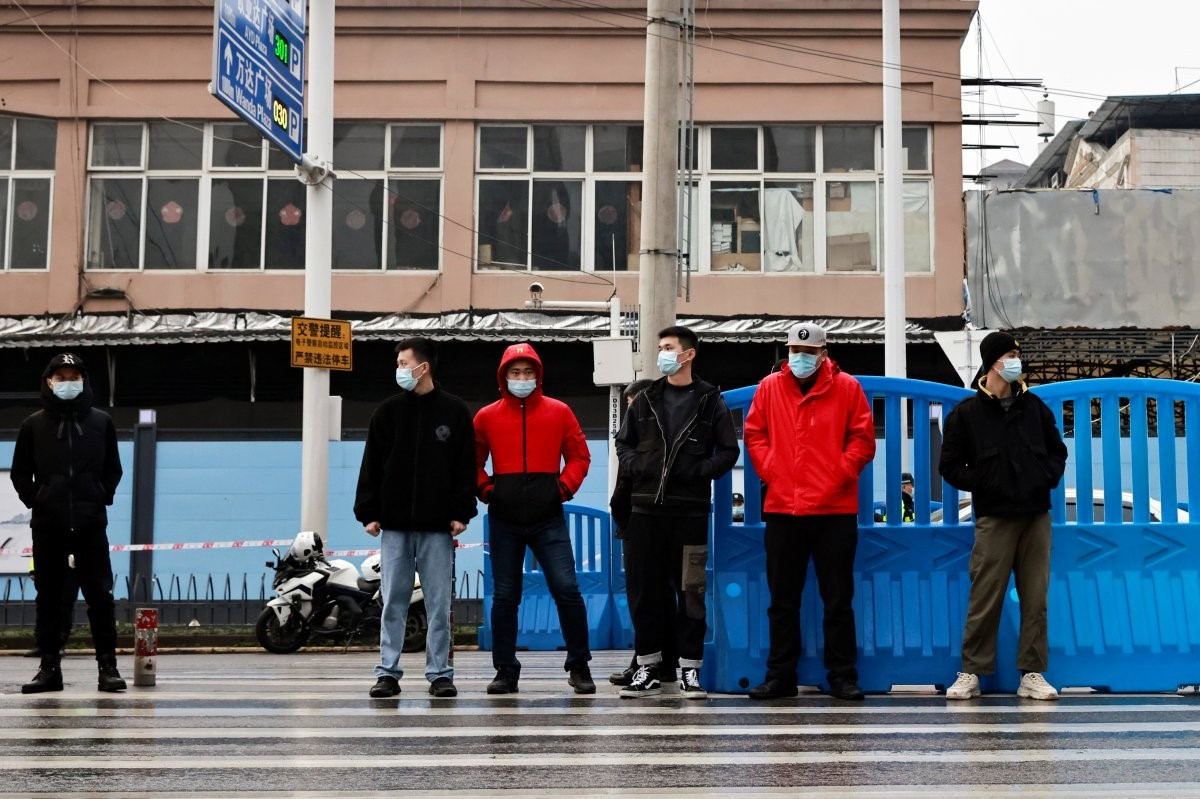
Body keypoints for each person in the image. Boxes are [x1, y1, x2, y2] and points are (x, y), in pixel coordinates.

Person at [744, 322, 876, 701]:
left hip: (834, 509)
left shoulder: (847, 387)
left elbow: (862, 440)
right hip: (784, 507)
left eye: (806, 352)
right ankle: (780, 677)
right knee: (782, 600)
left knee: (838, 599)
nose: (799, 358)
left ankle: (842, 675)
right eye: (793, 351)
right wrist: (772, 470)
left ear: (823, 354)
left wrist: (839, 472)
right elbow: (755, 433)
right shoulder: (770, 387)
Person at [939, 331, 1067, 701]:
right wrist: (984, 482)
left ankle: (1032, 673)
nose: (1016, 361)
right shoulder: (967, 414)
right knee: (985, 596)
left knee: (1035, 598)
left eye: (1017, 354)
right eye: (1010, 354)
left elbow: (1058, 452)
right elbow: (949, 466)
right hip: (994, 517)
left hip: (1035, 516)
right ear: (992, 361)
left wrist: (1046, 476)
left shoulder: (1035, 408)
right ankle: (971, 672)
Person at [614, 326, 739, 699]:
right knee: (645, 593)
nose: (662, 354)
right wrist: (639, 467)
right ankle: (648, 667)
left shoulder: (709, 400)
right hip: (645, 512)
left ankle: (690, 670)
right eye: (660, 348)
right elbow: (624, 445)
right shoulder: (647, 398)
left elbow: (728, 451)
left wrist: (697, 472)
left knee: (690, 592)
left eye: (668, 348)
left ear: (689, 354)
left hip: (690, 514)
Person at [354, 337, 477, 699]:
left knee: (439, 602)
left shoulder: (454, 411)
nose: (400, 371)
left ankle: (440, 673)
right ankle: (387, 673)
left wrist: (461, 512)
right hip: (393, 526)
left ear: (424, 367)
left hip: (438, 526)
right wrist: (369, 511)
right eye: (398, 364)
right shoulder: (387, 412)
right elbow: (371, 465)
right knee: (393, 600)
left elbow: (463, 467)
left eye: (404, 364)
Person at [474, 343, 595, 695]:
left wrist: (562, 489)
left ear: (538, 376)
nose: (522, 379)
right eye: (515, 373)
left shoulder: (559, 412)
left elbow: (579, 456)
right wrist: (486, 490)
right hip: (504, 519)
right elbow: (472, 461)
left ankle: (579, 665)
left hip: (548, 517)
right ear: (504, 377)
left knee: (567, 589)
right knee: (505, 596)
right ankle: (505, 671)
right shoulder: (486, 417)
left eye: (528, 373)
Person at [10, 353, 126, 694]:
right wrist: (38, 499)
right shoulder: (33, 425)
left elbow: (113, 470)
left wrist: (99, 496)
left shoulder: (101, 422)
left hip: (91, 524)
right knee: (48, 597)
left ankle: (108, 667)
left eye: (73, 376)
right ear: (49, 381)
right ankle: (49, 668)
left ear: (84, 380)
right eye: (60, 377)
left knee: (100, 596)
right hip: (48, 524)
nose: (67, 382)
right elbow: (19, 474)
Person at [608, 378, 679, 688]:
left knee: (643, 597)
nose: (629, 411)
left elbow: (625, 485)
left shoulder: (639, 441)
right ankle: (666, 663)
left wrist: (619, 515)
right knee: (665, 596)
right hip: (664, 522)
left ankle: (644, 661)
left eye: (632, 404)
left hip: (639, 522)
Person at [24, 555, 76, 659]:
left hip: (71, 571)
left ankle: (59, 645)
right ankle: (40, 645)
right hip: (47, 569)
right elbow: (38, 549)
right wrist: (33, 570)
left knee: (65, 607)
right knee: (44, 606)